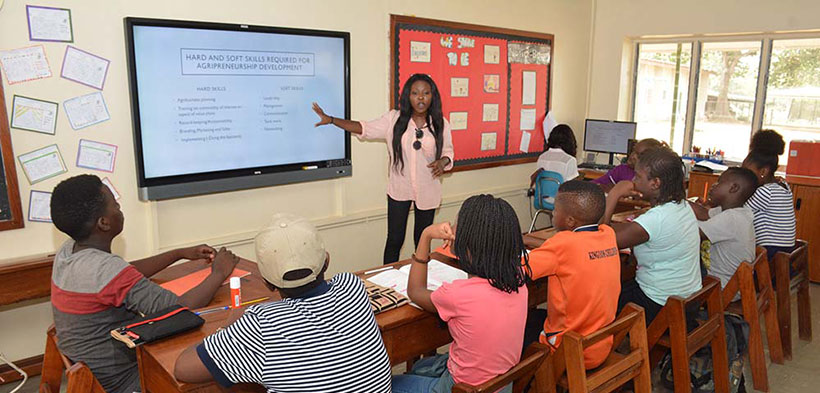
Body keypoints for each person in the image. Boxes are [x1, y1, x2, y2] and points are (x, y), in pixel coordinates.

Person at [49, 174, 239, 393]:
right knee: (216, 370)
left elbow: (124, 274)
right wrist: (219, 272)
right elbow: (180, 308)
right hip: (125, 379)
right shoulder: (105, 270)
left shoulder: (69, 251)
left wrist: (178, 254)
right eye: (115, 205)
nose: (120, 208)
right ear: (104, 223)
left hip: (93, 366)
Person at [174, 213, 392, 392]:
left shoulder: (260, 325)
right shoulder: (352, 286)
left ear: (267, 282)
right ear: (326, 261)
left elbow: (183, 368)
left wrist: (228, 328)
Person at [391, 194, 528, 393]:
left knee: (388, 384)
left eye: (457, 225)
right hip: (501, 384)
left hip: (459, 388)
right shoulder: (518, 279)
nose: (452, 229)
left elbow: (415, 291)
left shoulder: (457, 295)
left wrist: (426, 236)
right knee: (422, 366)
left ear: (470, 245)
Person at [312, 74, 454, 264]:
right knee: (394, 240)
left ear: (432, 96)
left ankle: (420, 281)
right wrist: (330, 119)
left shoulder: (441, 124)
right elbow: (364, 128)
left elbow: (448, 152)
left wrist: (442, 162)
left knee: (422, 240)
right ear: (408, 96)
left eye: (426, 93)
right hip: (399, 189)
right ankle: (388, 281)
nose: (421, 98)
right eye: (415, 93)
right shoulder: (394, 119)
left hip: (428, 189)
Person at [524, 180, 620, 369]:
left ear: (570, 221)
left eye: (555, 210)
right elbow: (575, 253)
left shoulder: (562, 243)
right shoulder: (607, 234)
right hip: (600, 343)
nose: (552, 213)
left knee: (515, 332)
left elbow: (520, 268)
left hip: (569, 350)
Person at [601, 148, 702, 325]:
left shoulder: (656, 219)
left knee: (597, 301)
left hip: (660, 305)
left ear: (655, 183)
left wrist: (614, 194)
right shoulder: (682, 207)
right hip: (687, 302)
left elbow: (599, 240)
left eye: (638, 177)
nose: (632, 181)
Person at [689, 167, 759, 291]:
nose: (713, 186)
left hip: (721, 286)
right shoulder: (737, 212)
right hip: (731, 283)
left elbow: (691, 233)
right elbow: (704, 213)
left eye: (719, 182)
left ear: (734, 188)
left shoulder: (731, 218)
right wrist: (678, 201)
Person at [742, 129, 796, 262]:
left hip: (771, 251)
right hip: (785, 249)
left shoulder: (765, 192)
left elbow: (740, 211)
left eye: (747, 171)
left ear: (763, 171)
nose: (743, 176)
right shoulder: (782, 186)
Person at [592, 138, 664, 192]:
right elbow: (594, 185)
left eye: (639, 155)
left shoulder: (652, 178)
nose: (632, 156)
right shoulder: (622, 170)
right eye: (633, 151)